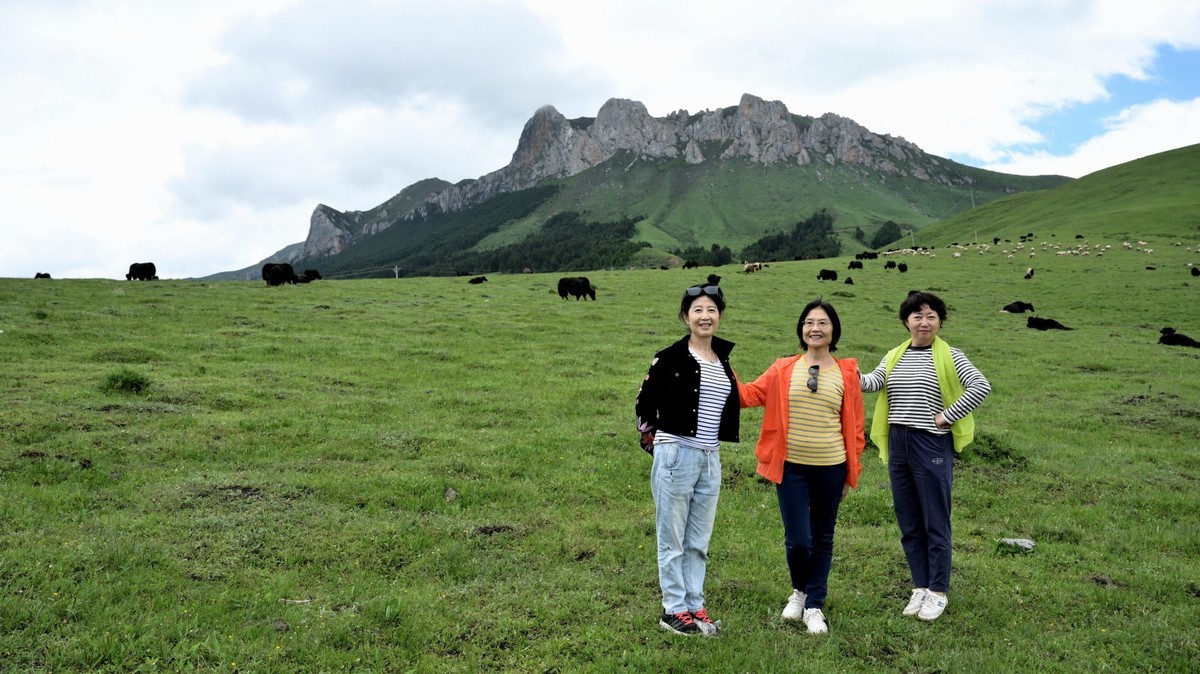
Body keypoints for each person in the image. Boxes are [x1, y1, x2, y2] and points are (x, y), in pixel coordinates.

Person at [859, 291, 991, 622]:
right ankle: (920, 585)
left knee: (935, 519)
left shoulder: (951, 356)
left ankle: (938, 590)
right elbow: (875, 382)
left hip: (931, 444)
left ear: (940, 322)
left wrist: (947, 416)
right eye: (917, 316)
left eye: (931, 316)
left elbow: (980, 386)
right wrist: (851, 375)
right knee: (909, 519)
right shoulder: (894, 355)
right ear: (906, 321)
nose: (924, 322)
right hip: (898, 441)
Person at [738, 298, 865, 635]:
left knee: (823, 537)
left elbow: (855, 429)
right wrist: (718, 366)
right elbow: (747, 395)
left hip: (831, 466)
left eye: (823, 322)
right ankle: (799, 589)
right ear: (801, 329)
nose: (815, 328)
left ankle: (814, 605)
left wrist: (850, 474)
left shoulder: (846, 373)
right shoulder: (783, 368)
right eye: (809, 322)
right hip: (791, 467)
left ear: (833, 330)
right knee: (798, 540)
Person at [635, 283, 741, 636]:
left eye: (711, 310)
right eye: (697, 310)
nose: (705, 316)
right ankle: (673, 609)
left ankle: (695, 605)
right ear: (686, 317)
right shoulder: (669, 357)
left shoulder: (722, 359)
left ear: (719, 317)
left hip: (711, 458)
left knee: (699, 538)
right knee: (672, 537)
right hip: (676, 454)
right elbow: (643, 404)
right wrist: (663, 449)